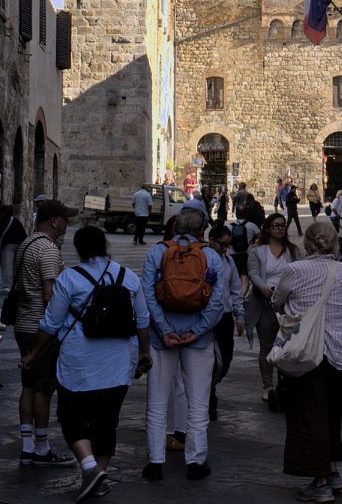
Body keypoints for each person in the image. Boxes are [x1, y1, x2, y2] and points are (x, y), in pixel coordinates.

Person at [24, 224, 152, 499]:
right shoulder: (127, 276)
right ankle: (97, 477)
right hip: (120, 360)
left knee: (71, 416)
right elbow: (142, 319)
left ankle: (90, 468)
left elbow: (51, 323)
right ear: (106, 246)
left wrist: (34, 352)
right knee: (107, 421)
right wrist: (144, 351)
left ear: (78, 250)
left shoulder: (69, 278)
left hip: (79, 360)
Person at [272, 216, 342, 503]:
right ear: (334, 243)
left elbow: (277, 301)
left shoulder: (294, 270)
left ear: (307, 244)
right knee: (332, 411)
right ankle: (332, 471)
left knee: (310, 413)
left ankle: (320, 482)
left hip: (309, 350)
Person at [141, 206, 223, 481]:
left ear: (175, 227)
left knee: (157, 402)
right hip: (198, 340)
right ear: (202, 230)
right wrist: (197, 331)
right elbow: (217, 303)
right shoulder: (211, 256)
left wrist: (164, 330)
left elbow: (148, 298)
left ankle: (155, 462)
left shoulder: (156, 252)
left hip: (161, 339)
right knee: (198, 402)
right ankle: (195, 461)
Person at [13, 199, 78, 466]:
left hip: (23, 323)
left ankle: (27, 446)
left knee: (28, 385)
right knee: (43, 388)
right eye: (65, 219)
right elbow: (50, 296)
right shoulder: (48, 250)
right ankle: (41, 448)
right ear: (54, 221)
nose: (67, 224)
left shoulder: (27, 244)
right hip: (40, 328)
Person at [247, 212, 299, 403]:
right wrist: (264, 288)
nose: (279, 228)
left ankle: (288, 382)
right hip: (265, 304)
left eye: (282, 225)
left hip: (289, 305)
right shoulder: (257, 251)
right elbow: (253, 273)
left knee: (290, 345)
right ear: (268, 229)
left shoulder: (293, 251)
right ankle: (268, 386)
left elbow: (301, 271)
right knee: (267, 345)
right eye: (275, 225)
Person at [206, 224, 246, 419]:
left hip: (225, 317)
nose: (225, 249)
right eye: (222, 244)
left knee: (225, 358)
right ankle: (207, 396)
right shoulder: (202, 259)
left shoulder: (229, 261)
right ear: (211, 241)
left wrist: (240, 315)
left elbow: (235, 289)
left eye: (227, 245)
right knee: (209, 359)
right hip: (206, 317)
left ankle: (211, 386)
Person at [0, 203, 26, 289]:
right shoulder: (16, 221)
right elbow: (24, 234)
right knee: (16, 266)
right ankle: (16, 285)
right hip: (20, 244)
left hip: (8, 245)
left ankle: (7, 285)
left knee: (7, 265)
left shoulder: (3, 220)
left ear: (2, 212)